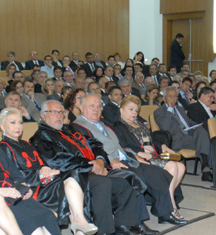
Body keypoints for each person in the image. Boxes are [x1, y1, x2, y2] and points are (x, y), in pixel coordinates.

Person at [30, 100, 147, 235]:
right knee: (102, 183)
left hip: (92, 168)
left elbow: (96, 144)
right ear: (42, 115)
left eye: (61, 112)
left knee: (126, 179)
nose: (59, 115)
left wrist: (100, 160)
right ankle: (102, 234)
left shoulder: (70, 129)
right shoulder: (40, 137)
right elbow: (57, 161)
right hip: (71, 176)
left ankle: (123, 224)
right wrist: (91, 166)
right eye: (54, 112)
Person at [0, 108, 99, 235]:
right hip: (33, 190)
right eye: (12, 123)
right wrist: (40, 174)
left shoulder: (25, 143)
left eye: (20, 122)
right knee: (69, 189)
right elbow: (15, 177)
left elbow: (41, 162)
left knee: (73, 178)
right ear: (2, 126)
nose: (18, 126)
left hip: (46, 183)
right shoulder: (3, 148)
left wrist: (46, 168)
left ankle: (79, 223)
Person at [74, 94, 185, 226]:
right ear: (81, 107)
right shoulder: (78, 127)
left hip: (127, 157)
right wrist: (112, 160)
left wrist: (133, 155)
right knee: (137, 177)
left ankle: (164, 212)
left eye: (98, 106)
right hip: (110, 162)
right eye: (92, 106)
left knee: (157, 173)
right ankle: (136, 222)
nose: (96, 109)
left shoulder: (104, 123)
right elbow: (91, 150)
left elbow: (121, 145)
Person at [112, 96, 186, 221]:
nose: (134, 113)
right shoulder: (118, 126)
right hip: (142, 157)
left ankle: (166, 201)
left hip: (153, 154)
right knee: (172, 166)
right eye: (130, 109)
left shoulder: (139, 124)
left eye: (136, 110)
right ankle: (171, 208)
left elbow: (151, 140)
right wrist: (138, 153)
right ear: (121, 110)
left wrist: (162, 146)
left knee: (181, 167)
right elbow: (122, 146)